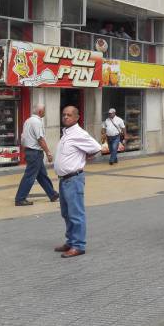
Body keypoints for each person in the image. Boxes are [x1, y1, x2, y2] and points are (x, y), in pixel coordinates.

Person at [54, 106, 102, 258]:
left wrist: (87, 157)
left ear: (77, 117)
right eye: (64, 115)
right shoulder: (66, 133)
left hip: (74, 179)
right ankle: (70, 241)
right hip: (64, 180)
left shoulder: (79, 134)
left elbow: (96, 147)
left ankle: (78, 245)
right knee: (66, 213)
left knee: (76, 214)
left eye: (69, 115)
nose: (66, 117)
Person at [14, 104, 59, 206]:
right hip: (35, 153)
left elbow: (23, 138)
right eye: (44, 110)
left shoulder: (28, 121)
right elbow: (40, 139)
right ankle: (20, 198)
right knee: (29, 176)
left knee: (42, 175)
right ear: (40, 112)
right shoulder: (37, 122)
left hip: (30, 151)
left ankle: (52, 194)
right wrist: (48, 152)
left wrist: (25, 149)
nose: (45, 112)